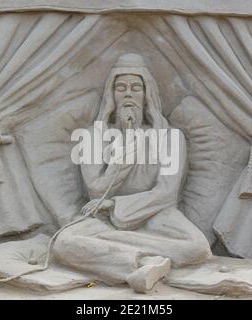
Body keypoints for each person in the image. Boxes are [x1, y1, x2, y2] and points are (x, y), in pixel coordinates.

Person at [53, 53, 211, 293]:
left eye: (136, 87)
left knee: (198, 247)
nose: (128, 93)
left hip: (156, 215)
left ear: (147, 94)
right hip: (104, 220)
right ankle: (144, 263)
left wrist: (114, 205)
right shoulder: (94, 136)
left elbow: (167, 193)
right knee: (63, 243)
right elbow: (96, 189)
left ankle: (120, 256)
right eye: (121, 88)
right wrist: (126, 143)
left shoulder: (170, 137)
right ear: (112, 95)